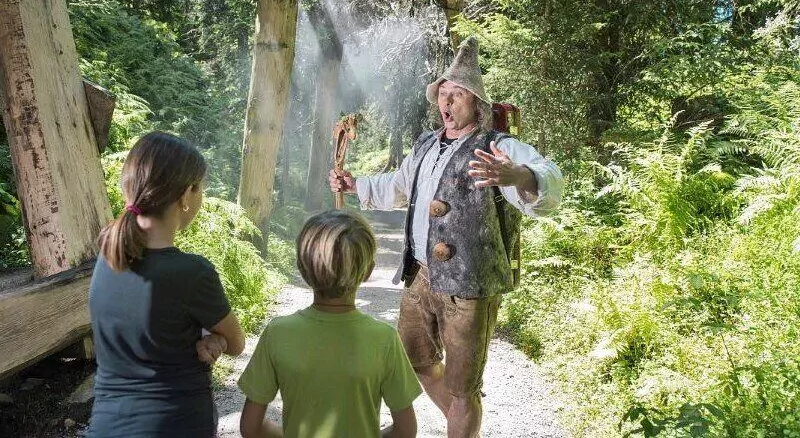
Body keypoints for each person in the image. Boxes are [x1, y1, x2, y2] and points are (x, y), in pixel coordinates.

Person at [329, 37, 564, 438]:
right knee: (414, 357)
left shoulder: (497, 146)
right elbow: (401, 185)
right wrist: (355, 184)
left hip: (470, 284)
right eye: (443, 93)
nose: (447, 101)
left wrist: (518, 175)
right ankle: (463, 426)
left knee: (463, 388)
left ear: (477, 103)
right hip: (422, 274)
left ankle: (461, 421)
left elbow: (550, 177)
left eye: (458, 94)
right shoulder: (427, 144)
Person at [87, 131, 245, 438]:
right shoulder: (192, 273)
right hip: (175, 424)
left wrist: (212, 337)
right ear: (185, 195)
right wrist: (218, 339)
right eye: (200, 189)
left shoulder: (107, 260)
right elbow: (237, 343)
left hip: (106, 425)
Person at [238, 210, 421, 438]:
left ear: (302, 268)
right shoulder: (384, 338)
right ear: (368, 271)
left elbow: (251, 428)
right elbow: (406, 431)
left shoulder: (277, 333)